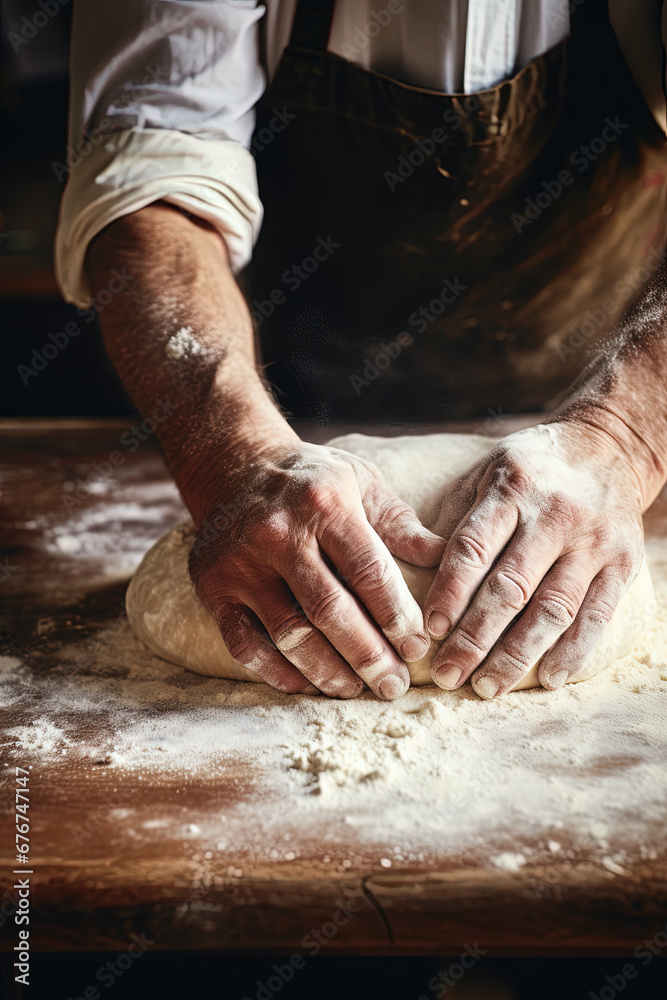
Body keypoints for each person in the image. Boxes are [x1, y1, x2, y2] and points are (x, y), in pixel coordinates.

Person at [55, 1, 667, 701]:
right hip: (260, 404)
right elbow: (149, 168)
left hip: (588, 411)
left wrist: (624, 437)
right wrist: (228, 454)